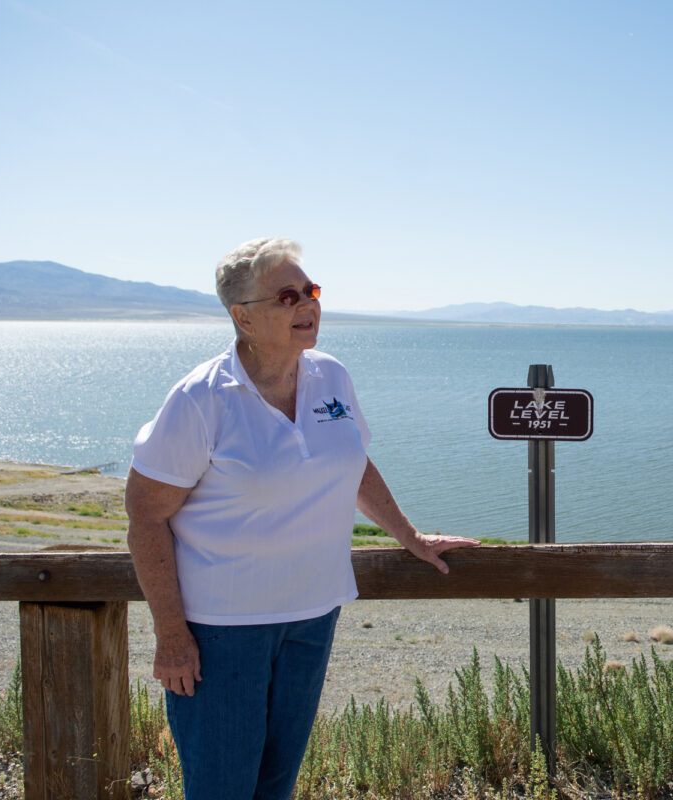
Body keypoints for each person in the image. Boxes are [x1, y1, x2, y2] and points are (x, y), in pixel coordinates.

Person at [125, 236, 479, 800]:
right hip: (221, 630)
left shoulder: (330, 376)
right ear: (243, 316)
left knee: (276, 786)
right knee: (221, 787)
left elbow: (352, 462)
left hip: (314, 615)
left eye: (310, 291)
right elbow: (145, 516)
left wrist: (408, 536)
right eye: (287, 296)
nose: (308, 305)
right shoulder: (201, 398)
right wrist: (171, 635)